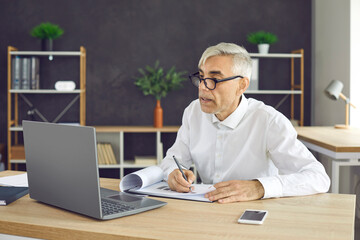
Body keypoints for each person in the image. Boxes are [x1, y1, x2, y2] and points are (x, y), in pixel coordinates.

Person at [159, 42, 330, 203]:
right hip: (207, 212)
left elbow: (318, 178)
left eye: (214, 79)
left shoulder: (269, 121)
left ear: (242, 85)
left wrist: (259, 187)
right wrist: (173, 174)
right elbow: (173, 160)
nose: (203, 87)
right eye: (201, 77)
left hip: (256, 216)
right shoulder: (193, 112)